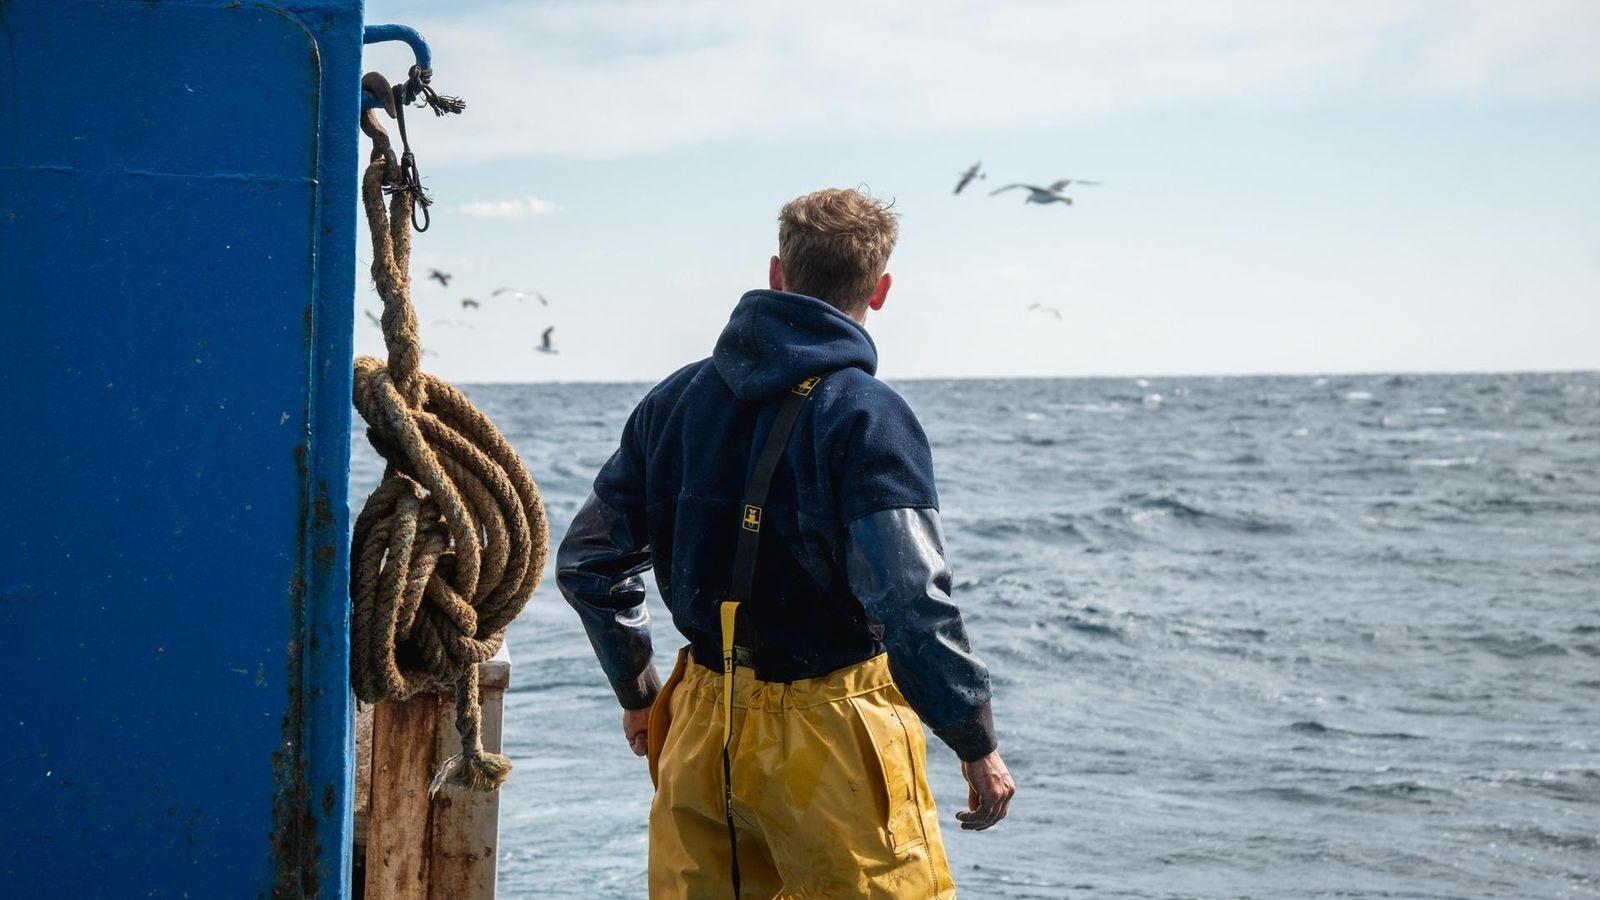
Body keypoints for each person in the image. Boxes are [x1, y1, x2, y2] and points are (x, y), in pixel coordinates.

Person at [557, 187, 1015, 898]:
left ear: (778, 274)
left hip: (700, 727)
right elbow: (909, 601)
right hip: (831, 737)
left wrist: (641, 690)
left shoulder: (674, 401)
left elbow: (588, 564)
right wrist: (975, 741)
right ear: (881, 289)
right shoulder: (868, 417)